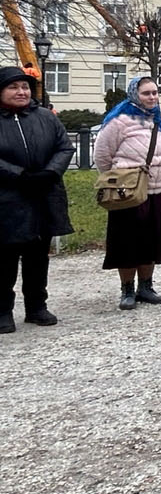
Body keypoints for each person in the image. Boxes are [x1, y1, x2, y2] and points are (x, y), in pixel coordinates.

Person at [94, 75, 161, 310]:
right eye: (146, 93)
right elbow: (103, 156)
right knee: (127, 242)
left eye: (155, 92)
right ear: (135, 94)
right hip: (129, 191)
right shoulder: (118, 121)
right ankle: (127, 290)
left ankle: (146, 286)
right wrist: (120, 178)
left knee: (153, 240)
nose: (152, 97)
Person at [0, 66, 73, 332]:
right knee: (5, 259)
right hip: (7, 197)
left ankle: (36, 306)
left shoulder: (45, 117)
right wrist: (18, 175)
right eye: (13, 87)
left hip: (44, 195)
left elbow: (64, 146)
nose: (21, 92)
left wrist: (50, 172)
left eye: (25, 87)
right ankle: (2, 311)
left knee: (37, 256)